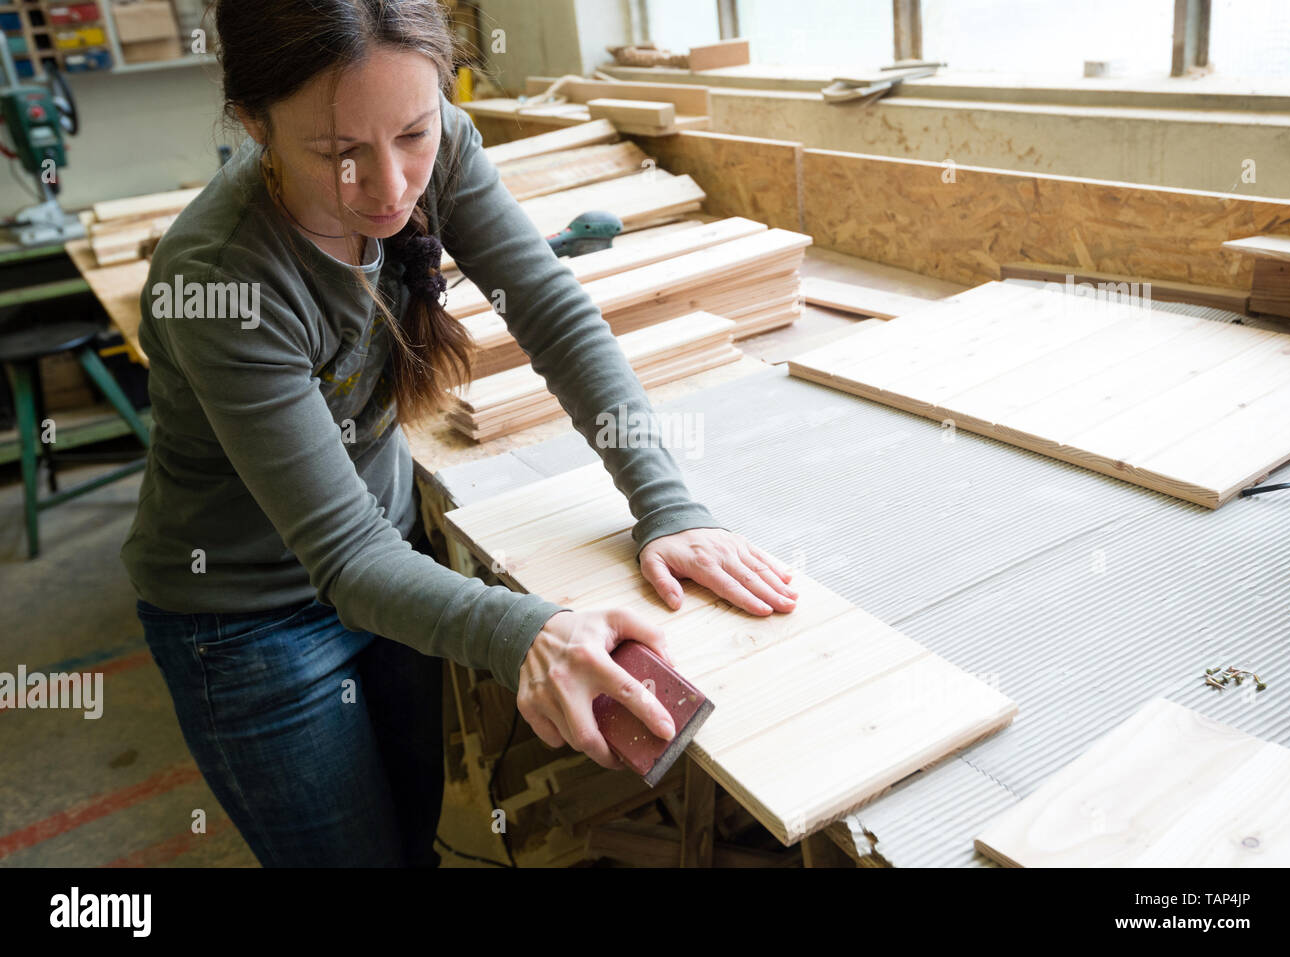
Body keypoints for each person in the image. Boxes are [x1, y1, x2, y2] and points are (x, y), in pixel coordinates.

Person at [120, 0, 797, 867]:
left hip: (391, 561)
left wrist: (667, 502)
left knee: (418, 839)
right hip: (246, 622)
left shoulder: (437, 138)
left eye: (412, 134)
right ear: (254, 125)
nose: (393, 187)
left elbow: (551, 313)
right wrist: (527, 631)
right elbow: (346, 559)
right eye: (338, 156)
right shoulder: (226, 280)